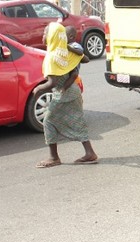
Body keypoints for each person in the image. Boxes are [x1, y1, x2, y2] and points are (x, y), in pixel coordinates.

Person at [33, 22, 98, 168]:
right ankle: (90, 153)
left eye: (45, 33)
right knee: (77, 121)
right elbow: (83, 58)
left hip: (65, 94)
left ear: (53, 37)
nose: (43, 36)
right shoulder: (64, 51)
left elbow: (52, 82)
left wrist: (39, 89)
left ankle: (53, 157)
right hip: (73, 92)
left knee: (49, 121)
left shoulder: (53, 56)